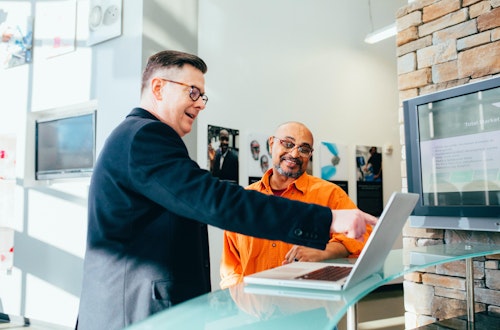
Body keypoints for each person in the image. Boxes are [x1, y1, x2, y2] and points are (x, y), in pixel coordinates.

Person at [76, 50, 377, 330]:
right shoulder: (145, 136)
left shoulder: (136, 136)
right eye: (192, 92)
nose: (199, 103)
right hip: (135, 313)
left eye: (202, 96)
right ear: (158, 88)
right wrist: (327, 220)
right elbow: (216, 201)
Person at [220, 122, 373, 288]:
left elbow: (364, 235)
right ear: (271, 144)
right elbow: (231, 267)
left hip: (309, 305)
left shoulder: (330, 194)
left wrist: (324, 251)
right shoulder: (245, 200)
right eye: (288, 144)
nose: (294, 154)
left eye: (304, 149)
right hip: (255, 308)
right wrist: (242, 302)